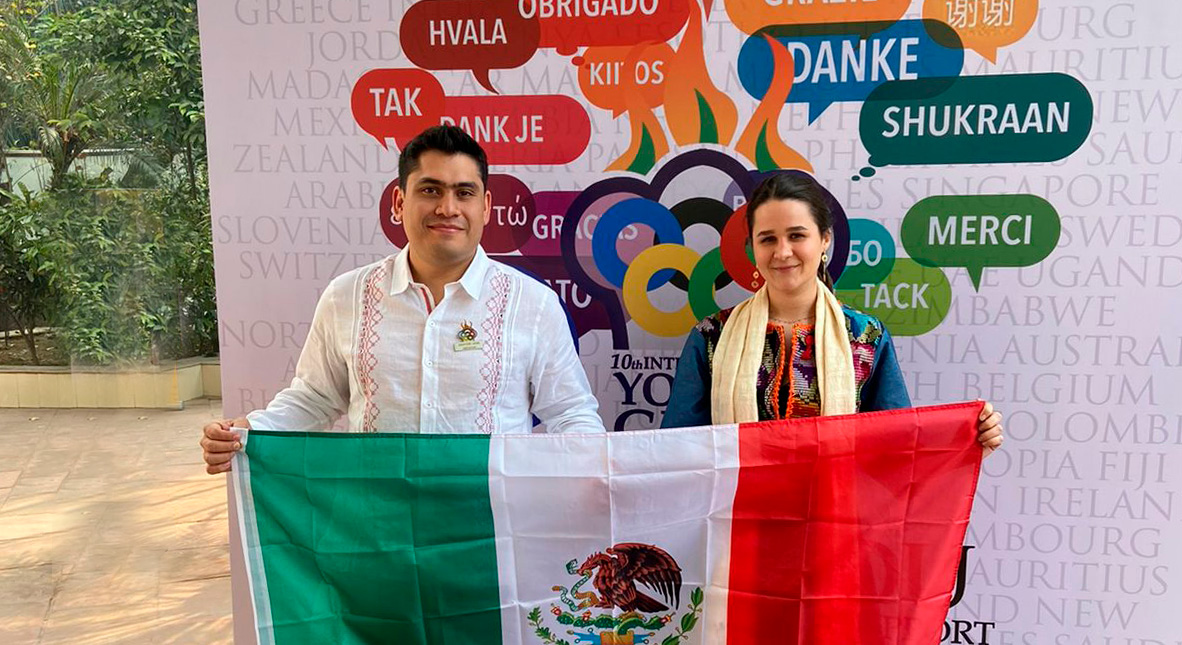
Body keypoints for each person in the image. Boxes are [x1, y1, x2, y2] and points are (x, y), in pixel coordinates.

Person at [202, 125, 604, 474]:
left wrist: (601, 474)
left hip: (492, 521)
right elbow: (315, 399)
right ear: (399, 202)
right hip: (377, 519)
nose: (448, 208)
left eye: (464, 192)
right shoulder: (347, 297)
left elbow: (571, 413)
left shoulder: (532, 305)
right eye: (430, 190)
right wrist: (249, 433)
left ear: (485, 207)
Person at [661, 172, 1004, 455]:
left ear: (824, 240)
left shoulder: (865, 337)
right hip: (736, 514)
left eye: (797, 235)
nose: (783, 252)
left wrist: (967, 445)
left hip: (836, 513)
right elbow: (676, 452)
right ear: (752, 247)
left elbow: (899, 449)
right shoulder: (712, 336)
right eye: (768, 239)